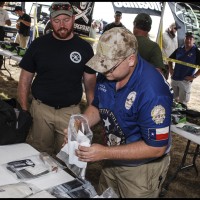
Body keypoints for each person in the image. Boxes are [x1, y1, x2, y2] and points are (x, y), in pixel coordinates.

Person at [73, 27, 173, 198]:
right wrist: (80, 123)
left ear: (131, 59)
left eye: (110, 66)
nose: (104, 71)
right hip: (112, 158)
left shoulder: (153, 91)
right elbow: (98, 106)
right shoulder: (110, 74)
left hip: (140, 170)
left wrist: (104, 152)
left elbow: (156, 148)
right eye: (102, 64)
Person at [17, 2, 96, 156]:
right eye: (56, 20)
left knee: (68, 158)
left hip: (70, 113)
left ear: (73, 19)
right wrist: (25, 111)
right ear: (50, 21)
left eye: (66, 20)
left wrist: (88, 119)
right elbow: (24, 81)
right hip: (40, 111)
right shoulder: (38, 45)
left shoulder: (84, 48)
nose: (62, 25)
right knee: (37, 156)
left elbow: (90, 88)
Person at [169, 32, 200, 107]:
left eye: (190, 39)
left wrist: (194, 76)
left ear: (193, 41)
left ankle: (181, 118)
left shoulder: (197, 52)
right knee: (171, 100)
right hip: (175, 79)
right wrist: (171, 69)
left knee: (183, 103)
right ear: (184, 39)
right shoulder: (179, 49)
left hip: (185, 81)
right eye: (187, 38)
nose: (188, 40)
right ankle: (172, 117)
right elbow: (169, 59)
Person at [0, 2, 11, 69]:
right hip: (0, 29)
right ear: (3, 4)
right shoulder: (4, 11)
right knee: (0, 47)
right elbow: (9, 23)